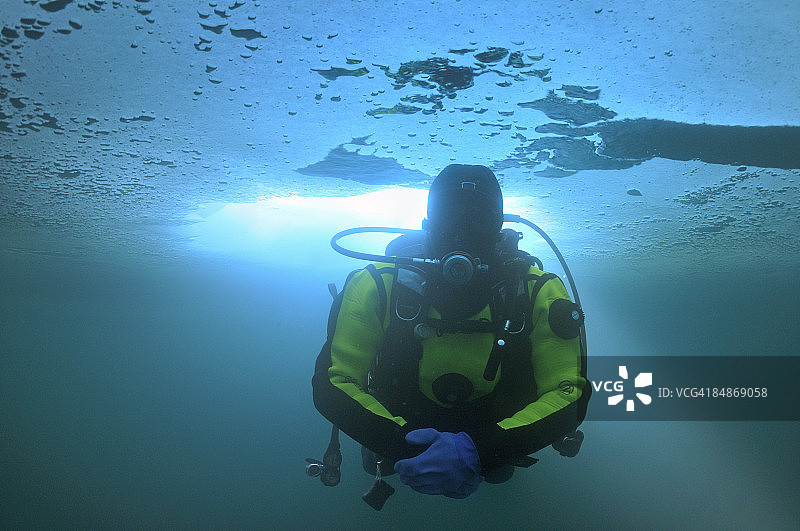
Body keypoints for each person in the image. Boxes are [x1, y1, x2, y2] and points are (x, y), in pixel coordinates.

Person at [312, 164, 590, 501]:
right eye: (449, 219)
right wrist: (400, 445)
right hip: (403, 425)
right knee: (377, 463)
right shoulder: (377, 285)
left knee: (499, 474)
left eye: (479, 220)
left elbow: (569, 392)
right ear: (428, 224)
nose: (462, 233)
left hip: (492, 430)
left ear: (499, 227)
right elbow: (332, 381)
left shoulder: (535, 292)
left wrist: (485, 451)